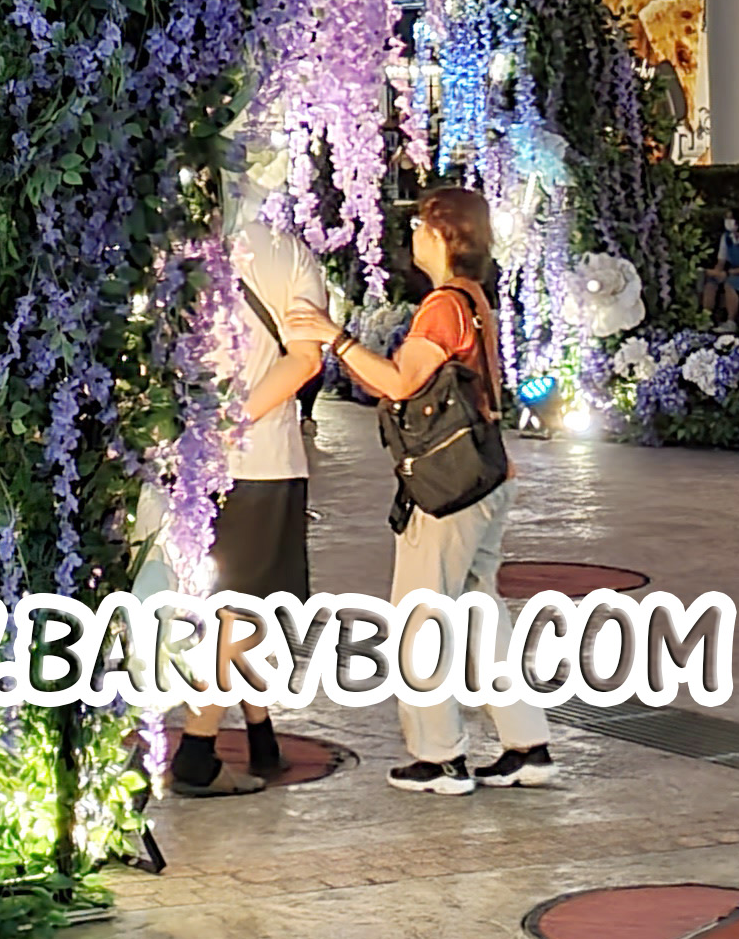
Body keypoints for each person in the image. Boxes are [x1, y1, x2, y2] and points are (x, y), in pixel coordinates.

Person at [285, 184, 555, 797]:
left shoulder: (441, 305)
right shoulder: (473, 298)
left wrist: (337, 339)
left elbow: (401, 383)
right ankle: (526, 743)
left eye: (419, 228)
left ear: (442, 236)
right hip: (486, 475)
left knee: (421, 616)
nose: (411, 238)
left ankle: (440, 756)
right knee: (480, 613)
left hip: (448, 486)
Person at [172, 207, 332, 797]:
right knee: (241, 612)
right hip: (260, 461)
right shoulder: (286, 254)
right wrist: (229, 424)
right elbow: (306, 359)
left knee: (232, 606)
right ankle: (197, 750)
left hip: (184, 465)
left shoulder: (170, 248)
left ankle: (260, 730)